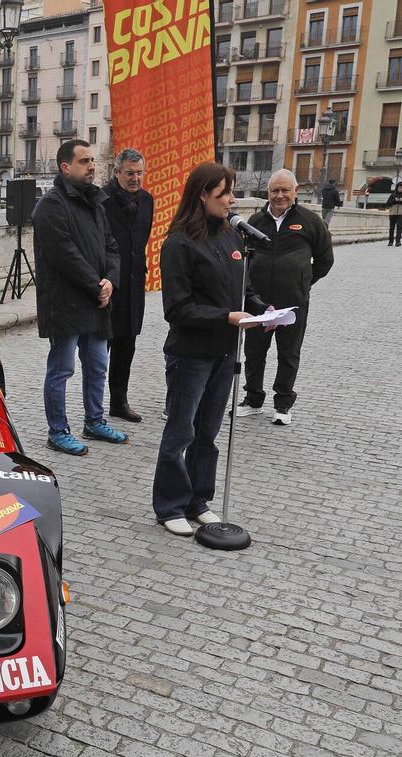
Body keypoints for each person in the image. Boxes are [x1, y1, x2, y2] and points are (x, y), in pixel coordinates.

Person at [152, 162, 268, 536]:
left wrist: (262, 310)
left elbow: (242, 290)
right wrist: (226, 317)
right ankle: (170, 506)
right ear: (202, 195)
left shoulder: (233, 238)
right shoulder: (179, 243)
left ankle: (198, 501)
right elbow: (177, 308)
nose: (232, 200)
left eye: (232, 192)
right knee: (181, 432)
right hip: (190, 353)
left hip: (225, 351)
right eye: (224, 193)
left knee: (208, 432)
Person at [32, 138, 125, 455]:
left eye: (92, 160)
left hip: (96, 302)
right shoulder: (50, 206)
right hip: (65, 303)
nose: (92, 166)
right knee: (62, 369)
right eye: (84, 161)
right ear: (65, 167)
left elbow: (111, 246)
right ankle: (58, 432)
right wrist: (97, 286)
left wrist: (110, 280)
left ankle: (94, 421)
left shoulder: (95, 202)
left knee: (98, 365)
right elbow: (64, 255)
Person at [235, 169, 333, 427]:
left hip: (294, 302)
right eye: (274, 190)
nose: (279, 195)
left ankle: (283, 404)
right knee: (254, 352)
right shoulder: (255, 221)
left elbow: (325, 259)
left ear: (295, 191)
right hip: (258, 301)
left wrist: (303, 282)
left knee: (288, 354)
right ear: (267, 192)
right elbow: (244, 257)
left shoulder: (310, 221)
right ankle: (253, 399)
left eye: (285, 190)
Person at [102, 148, 154, 423]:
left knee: (126, 347)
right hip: (108, 285)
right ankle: (93, 407)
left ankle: (118, 402)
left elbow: (141, 241)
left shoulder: (147, 200)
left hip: (134, 285)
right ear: (117, 172)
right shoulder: (101, 200)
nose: (135, 178)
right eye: (129, 173)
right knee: (100, 350)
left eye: (139, 173)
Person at [384, 181, 402, 246]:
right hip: (392, 213)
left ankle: (398, 242)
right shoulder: (393, 195)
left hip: (401, 213)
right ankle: (390, 241)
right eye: (399, 187)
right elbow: (387, 203)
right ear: (397, 187)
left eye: (401, 188)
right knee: (391, 228)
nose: (400, 189)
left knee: (399, 227)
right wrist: (394, 200)